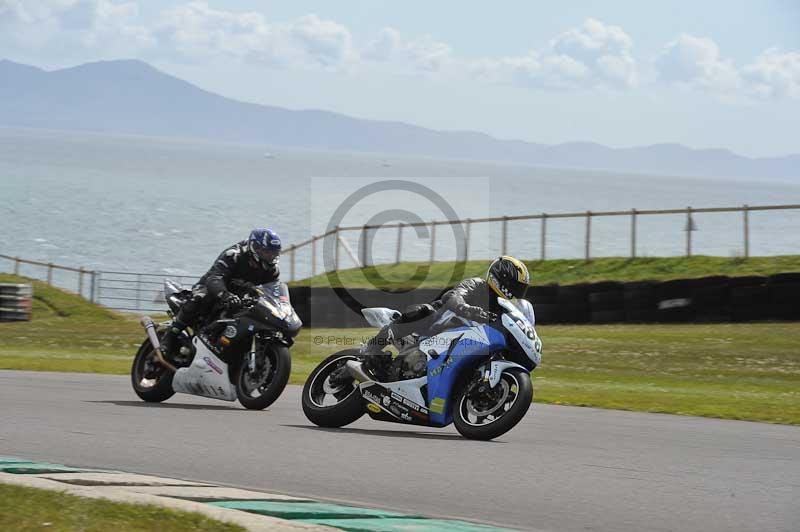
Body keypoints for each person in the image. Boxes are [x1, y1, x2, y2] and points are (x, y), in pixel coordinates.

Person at [362, 256, 531, 379]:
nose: (517, 292)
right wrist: (466, 308)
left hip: (462, 343)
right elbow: (454, 296)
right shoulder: (477, 285)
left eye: (521, 288)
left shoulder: (504, 310)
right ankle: (371, 349)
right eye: (516, 286)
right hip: (435, 327)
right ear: (502, 278)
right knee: (425, 311)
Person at [160, 228, 282, 359]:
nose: (271, 257)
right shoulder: (234, 255)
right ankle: (170, 336)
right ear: (255, 248)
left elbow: (273, 291)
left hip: (240, 297)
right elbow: (215, 278)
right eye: (267, 252)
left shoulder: (272, 271)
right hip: (212, 287)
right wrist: (225, 295)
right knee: (198, 299)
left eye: (273, 254)